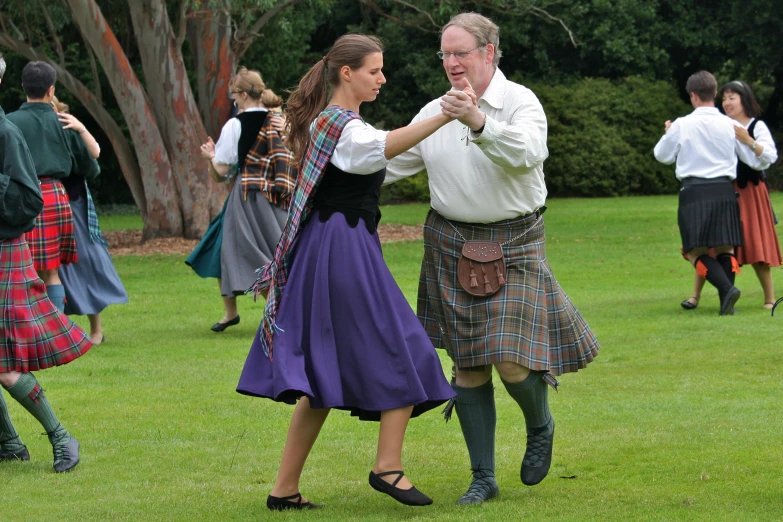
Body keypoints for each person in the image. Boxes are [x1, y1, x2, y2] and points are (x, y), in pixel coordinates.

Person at [384, 12, 600, 505]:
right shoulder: (432, 111)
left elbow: (527, 153)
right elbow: (388, 162)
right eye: (445, 54)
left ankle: (540, 422)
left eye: (460, 52)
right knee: (468, 367)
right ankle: (482, 477)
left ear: (488, 52)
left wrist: (476, 120)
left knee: (510, 360)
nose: (451, 62)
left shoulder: (520, 102)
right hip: (450, 243)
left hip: (516, 240)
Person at [236, 34, 458, 510]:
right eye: (375, 70)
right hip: (341, 248)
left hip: (338, 244)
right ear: (346, 73)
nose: (382, 78)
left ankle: (283, 491)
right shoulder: (340, 126)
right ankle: (387, 468)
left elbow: (378, 150)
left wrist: (440, 116)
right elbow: (375, 149)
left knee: (320, 376)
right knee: (408, 347)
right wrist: (443, 114)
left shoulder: (339, 123)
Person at [0, 53, 90, 473]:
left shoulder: (5, 131)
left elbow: (26, 197)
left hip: (5, 246)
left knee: (4, 366)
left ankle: (60, 437)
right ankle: (10, 444)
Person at [655, 71, 761, 316]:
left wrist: (668, 131)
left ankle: (727, 289)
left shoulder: (681, 124)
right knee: (726, 248)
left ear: (693, 96)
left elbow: (662, 156)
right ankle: (727, 302)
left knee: (695, 251)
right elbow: (752, 160)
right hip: (725, 189)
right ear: (714, 93)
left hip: (694, 191)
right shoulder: (731, 124)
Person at [198, 70, 294, 333]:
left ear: (242, 94)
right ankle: (240, 313)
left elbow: (221, 172)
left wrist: (210, 157)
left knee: (252, 254)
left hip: (248, 198)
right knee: (281, 253)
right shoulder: (279, 120)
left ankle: (281, 313)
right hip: (279, 196)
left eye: (234, 95)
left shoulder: (235, 125)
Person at [6, 61, 100, 313]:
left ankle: (29, 327)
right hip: (55, 196)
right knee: (51, 272)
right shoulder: (64, 121)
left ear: (23, 86)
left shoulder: (9, 122)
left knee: (24, 269)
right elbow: (91, 165)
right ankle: (54, 330)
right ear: (51, 90)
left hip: (19, 196)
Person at [680, 81, 779, 311]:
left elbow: (769, 157)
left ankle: (770, 298)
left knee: (755, 243)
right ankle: (695, 296)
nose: (727, 103)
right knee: (709, 244)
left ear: (745, 99)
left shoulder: (757, 126)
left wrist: (748, 140)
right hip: (722, 192)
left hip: (751, 193)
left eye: (732, 97)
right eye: (724, 98)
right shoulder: (720, 125)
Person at [54, 97, 128, 344]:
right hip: (47, 206)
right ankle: (58, 331)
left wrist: (81, 127)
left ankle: (96, 330)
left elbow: (95, 153)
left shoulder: (69, 127)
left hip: (75, 203)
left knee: (87, 261)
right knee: (53, 270)